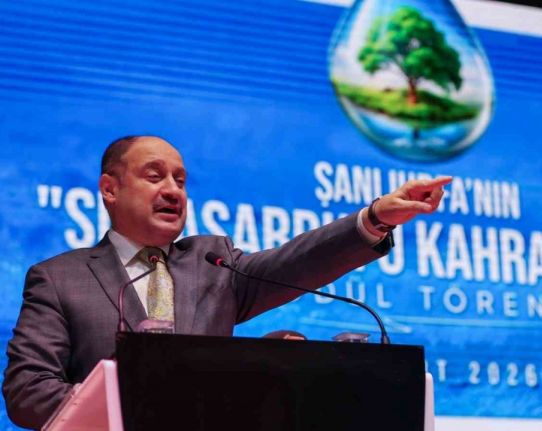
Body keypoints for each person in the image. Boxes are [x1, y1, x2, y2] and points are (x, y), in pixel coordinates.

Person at [2, 135, 450, 429]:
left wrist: (375, 219)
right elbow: (27, 391)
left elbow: (295, 263)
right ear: (110, 189)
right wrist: (122, 406)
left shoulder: (212, 263)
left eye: (180, 180)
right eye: (154, 176)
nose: (173, 190)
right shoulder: (59, 278)